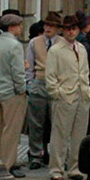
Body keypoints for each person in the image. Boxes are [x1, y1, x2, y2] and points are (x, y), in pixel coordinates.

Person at [46, 12, 90, 180]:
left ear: (78, 30)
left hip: (82, 95)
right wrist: (57, 93)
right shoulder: (56, 50)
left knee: (79, 135)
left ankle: (75, 167)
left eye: (74, 29)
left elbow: (85, 72)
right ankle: (56, 169)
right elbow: (50, 77)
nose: (71, 32)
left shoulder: (81, 48)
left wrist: (87, 90)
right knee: (60, 134)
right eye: (67, 29)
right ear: (63, 31)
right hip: (65, 96)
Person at [0, 10, 28, 177]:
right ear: (11, 27)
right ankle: (7, 165)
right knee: (11, 131)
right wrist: (22, 89)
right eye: (19, 26)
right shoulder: (15, 46)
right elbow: (17, 72)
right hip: (12, 93)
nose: (21, 28)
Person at [24, 11, 61, 169]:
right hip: (39, 82)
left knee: (56, 123)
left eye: (51, 26)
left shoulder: (62, 42)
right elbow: (29, 65)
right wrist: (30, 83)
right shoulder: (35, 42)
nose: (48, 28)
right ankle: (35, 154)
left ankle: (56, 155)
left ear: (58, 28)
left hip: (57, 85)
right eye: (46, 25)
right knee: (36, 123)